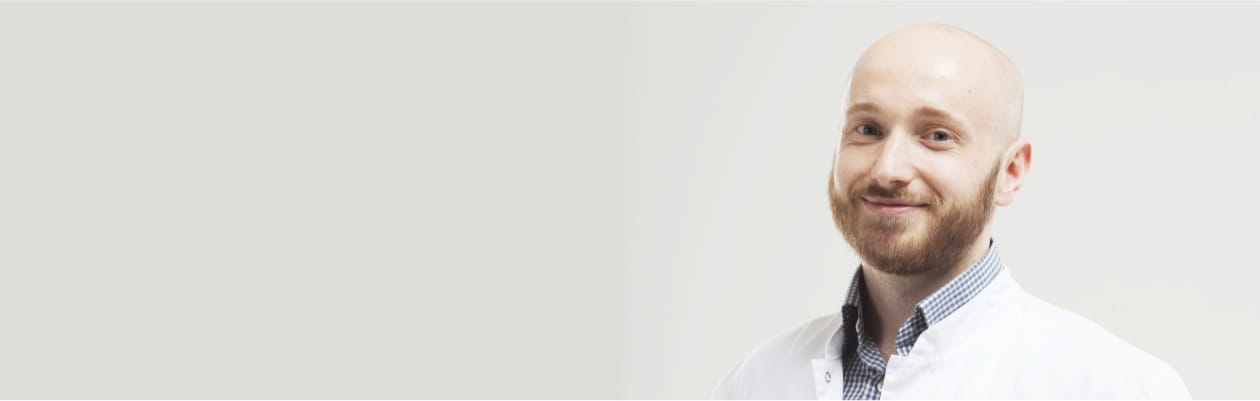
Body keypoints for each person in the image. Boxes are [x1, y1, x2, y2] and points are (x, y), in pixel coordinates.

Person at [711, 23, 1191, 399]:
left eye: (937, 136)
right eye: (868, 129)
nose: (888, 169)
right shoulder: (755, 383)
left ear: (1010, 173)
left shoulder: (1118, 387)